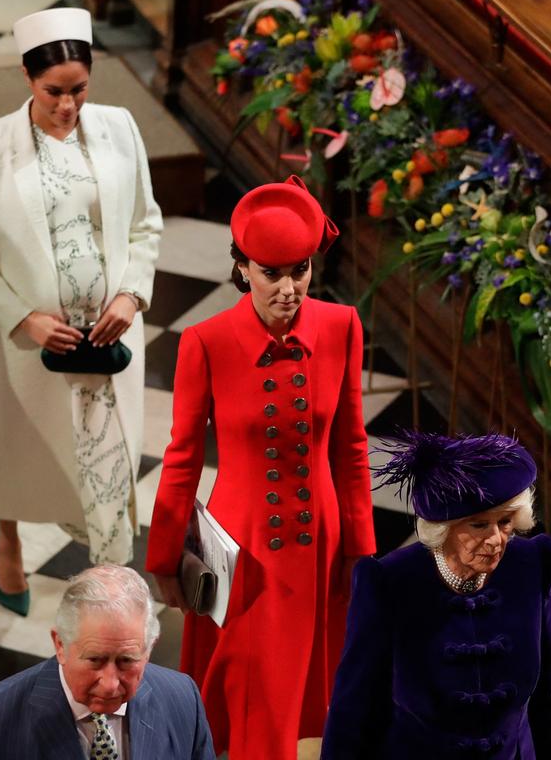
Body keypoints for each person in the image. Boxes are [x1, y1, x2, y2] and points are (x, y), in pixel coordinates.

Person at [145, 176, 377, 759]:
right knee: (254, 700)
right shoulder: (205, 342)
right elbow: (182, 460)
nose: (289, 287)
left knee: (311, 698)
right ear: (242, 267)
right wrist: (164, 558)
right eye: (272, 272)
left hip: (320, 547)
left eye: (299, 270)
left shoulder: (342, 326)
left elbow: (350, 446)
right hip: (243, 555)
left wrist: (361, 549)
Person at [0, 8, 162, 615]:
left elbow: (146, 224)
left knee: (107, 462)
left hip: (110, 333)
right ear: (26, 78)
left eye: (79, 90)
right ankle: (8, 537)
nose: (68, 105)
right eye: (54, 92)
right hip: (27, 343)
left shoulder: (119, 127)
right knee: (16, 451)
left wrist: (131, 295)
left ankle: (108, 588)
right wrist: (22, 317)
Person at [321, 432, 551, 759]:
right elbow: (353, 712)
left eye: (505, 522)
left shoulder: (533, 564)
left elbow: (549, 695)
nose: (496, 539)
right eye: (479, 525)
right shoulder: (388, 584)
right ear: (444, 526)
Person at [0, 564, 216, 759]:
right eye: (95, 660)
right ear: (60, 645)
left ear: (149, 648)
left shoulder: (182, 700)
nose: (109, 685)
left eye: (126, 661)